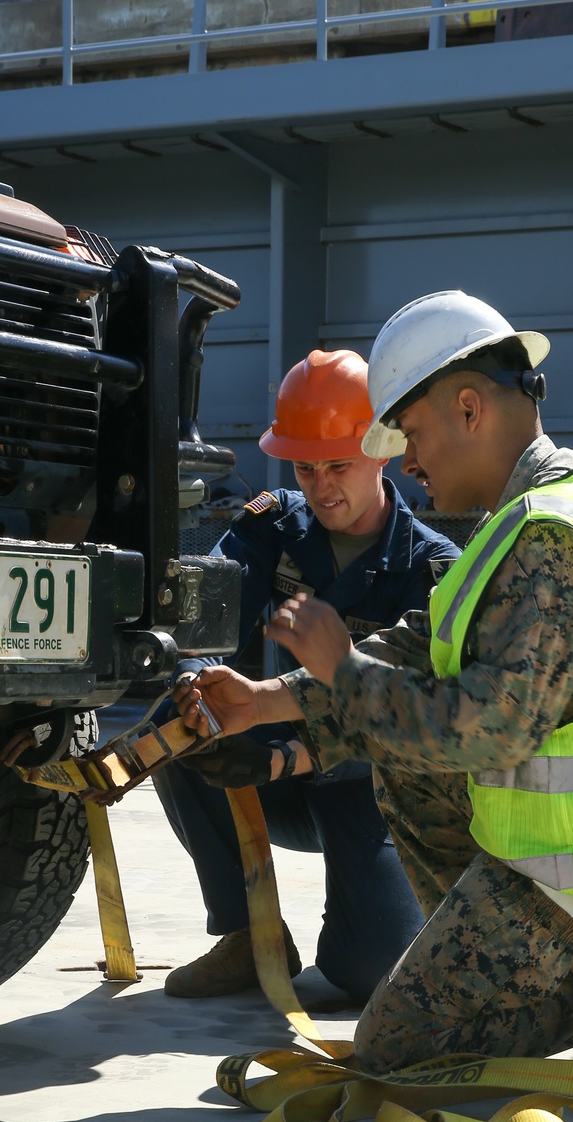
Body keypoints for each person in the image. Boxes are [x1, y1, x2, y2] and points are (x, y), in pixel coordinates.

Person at [176, 291, 573, 1079]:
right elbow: (424, 651)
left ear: (467, 408)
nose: (409, 461)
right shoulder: (547, 514)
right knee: (402, 760)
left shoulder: (551, 543)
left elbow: (483, 731)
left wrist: (341, 670)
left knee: (397, 1053)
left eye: (411, 434)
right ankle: (548, 960)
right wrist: (264, 702)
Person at [154, 348, 459, 1001]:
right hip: (282, 771)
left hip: (382, 793)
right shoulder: (274, 526)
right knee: (175, 721)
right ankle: (247, 935)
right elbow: (203, 623)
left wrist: (285, 754)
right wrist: (199, 683)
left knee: (371, 974)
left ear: (382, 451)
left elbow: (422, 723)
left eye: (339, 466)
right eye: (305, 467)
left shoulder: (436, 571)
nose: (321, 487)